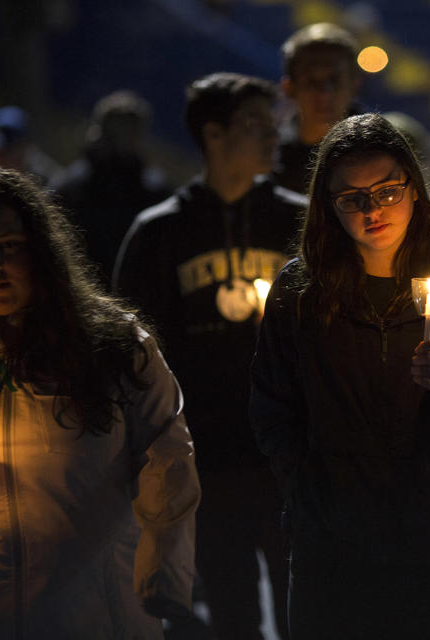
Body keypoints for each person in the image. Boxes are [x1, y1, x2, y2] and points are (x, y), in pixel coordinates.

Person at [0, 169, 200, 637]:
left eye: (8, 246)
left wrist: (163, 583)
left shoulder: (114, 347)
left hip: (92, 616)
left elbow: (170, 461)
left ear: (40, 249)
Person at [249, 113, 430, 639]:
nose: (373, 209)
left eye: (387, 190)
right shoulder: (301, 292)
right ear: (328, 206)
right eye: (351, 198)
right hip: (333, 545)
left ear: (415, 189)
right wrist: (309, 485)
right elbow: (271, 406)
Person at [114, 72, 303, 639]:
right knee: (231, 607)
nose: (274, 132)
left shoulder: (298, 221)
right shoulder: (161, 230)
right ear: (214, 135)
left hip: (290, 454)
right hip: (207, 459)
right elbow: (131, 353)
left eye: (274, 120)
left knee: (307, 604)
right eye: (255, 123)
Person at [50, 90, 171, 283]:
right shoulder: (71, 189)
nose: (122, 141)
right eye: (117, 133)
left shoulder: (155, 192)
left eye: (128, 132)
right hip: (85, 296)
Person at [272, 22, 362, 194]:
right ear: (289, 88)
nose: (324, 93)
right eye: (311, 82)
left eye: (334, 80)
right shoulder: (268, 157)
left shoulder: (381, 150)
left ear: (355, 85)